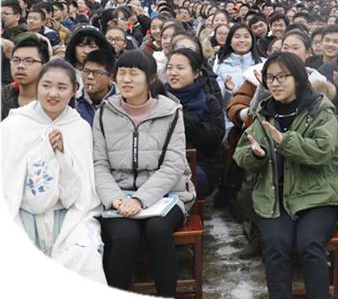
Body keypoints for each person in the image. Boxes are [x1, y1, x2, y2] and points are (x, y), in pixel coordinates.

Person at [233, 51, 338, 299]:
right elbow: (241, 155)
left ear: (298, 78)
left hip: (317, 195)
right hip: (274, 195)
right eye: (270, 78)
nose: (275, 83)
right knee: (275, 246)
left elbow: (322, 152)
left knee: (309, 245)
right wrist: (257, 156)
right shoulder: (264, 112)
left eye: (282, 76)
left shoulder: (319, 109)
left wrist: (285, 141)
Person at [93, 49, 196, 296]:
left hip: (166, 196)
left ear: (150, 79)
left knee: (157, 230)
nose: (126, 80)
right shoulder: (105, 112)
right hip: (118, 195)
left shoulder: (171, 112)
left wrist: (140, 199)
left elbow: (173, 165)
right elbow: (98, 164)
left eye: (134, 74)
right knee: (123, 236)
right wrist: (115, 199)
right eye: (122, 73)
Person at [0, 59, 105, 282]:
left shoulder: (79, 128)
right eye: (46, 85)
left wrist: (62, 156)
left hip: (66, 214)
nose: (53, 94)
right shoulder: (14, 125)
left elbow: (82, 192)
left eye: (62, 87)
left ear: (75, 91)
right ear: (37, 85)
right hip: (20, 211)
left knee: (82, 256)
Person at [165, 48, 225, 198]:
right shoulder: (158, 98)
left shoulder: (208, 101)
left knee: (181, 181)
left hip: (200, 163)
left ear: (196, 73)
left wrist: (183, 119)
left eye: (180, 68)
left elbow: (214, 139)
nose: (173, 73)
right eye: (170, 67)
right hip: (163, 163)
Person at [2, 34, 50, 120]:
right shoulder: (3, 96)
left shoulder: (53, 99)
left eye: (29, 61)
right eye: (16, 60)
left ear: (44, 66)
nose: (20, 66)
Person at [75, 49, 117, 126]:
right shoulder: (74, 101)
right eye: (86, 71)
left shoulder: (122, 103)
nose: (90, 77)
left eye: (97, 73)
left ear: (111, 77)